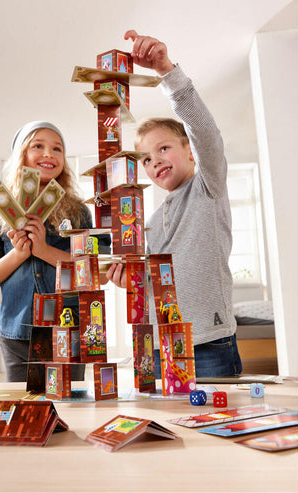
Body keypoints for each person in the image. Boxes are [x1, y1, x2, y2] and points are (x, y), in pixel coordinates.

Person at [106, 30, 242, 378]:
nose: (155, 161)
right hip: (160, 345)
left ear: (190, 151)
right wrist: (129, 281)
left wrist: (167, 72)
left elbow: (205, 134)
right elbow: (154, 281)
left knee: (213, 413)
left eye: (163, 148)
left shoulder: (207, 188)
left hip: (209, 342)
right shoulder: (149, 222)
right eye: (146, 160)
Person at [0, 121, 110, 382]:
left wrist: (44, 250)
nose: (49, 153)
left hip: (67, 329)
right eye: (38, 146)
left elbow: (100, 274)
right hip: (18, 334)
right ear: (21, 156)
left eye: (57, 148)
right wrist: (19, 254)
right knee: (25, 404)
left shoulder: (79, 213)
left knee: (68, 403)